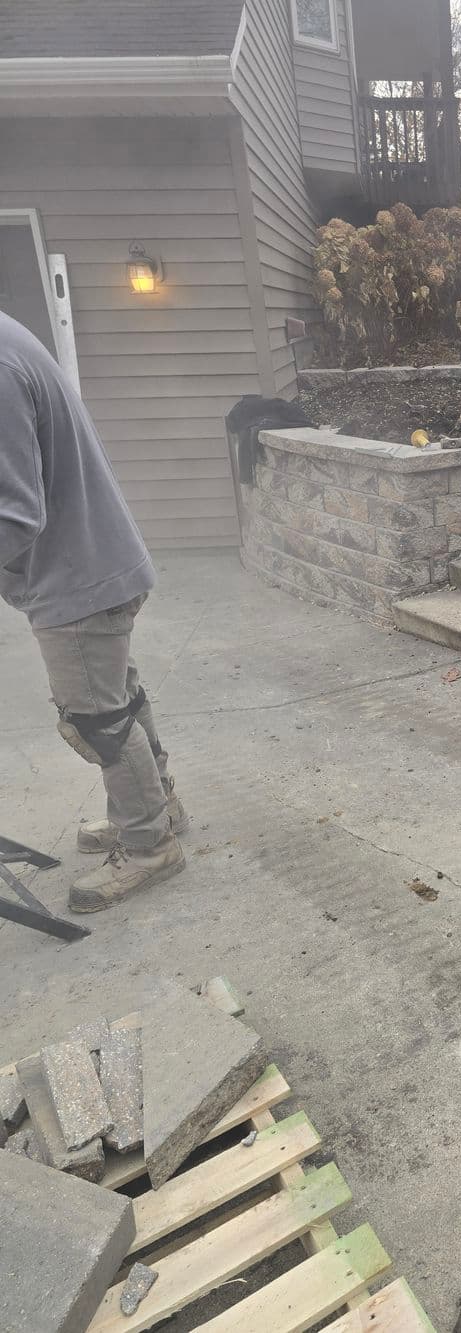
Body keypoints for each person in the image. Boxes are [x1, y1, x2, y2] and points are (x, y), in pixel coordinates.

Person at [0, 311, 187, 913]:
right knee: (119, 701)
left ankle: (149, 847)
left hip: (74, 578)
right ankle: (160, 807)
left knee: (96, 720)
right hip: (99, 559)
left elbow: (15, 515)